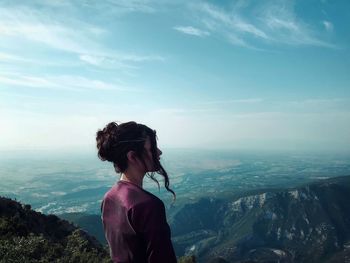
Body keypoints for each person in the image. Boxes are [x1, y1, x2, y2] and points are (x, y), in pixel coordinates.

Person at [96, 121, 177, 263]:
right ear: (132, 157)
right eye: (152, 148)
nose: (159, 152)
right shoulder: (148, 206)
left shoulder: (109, 198)